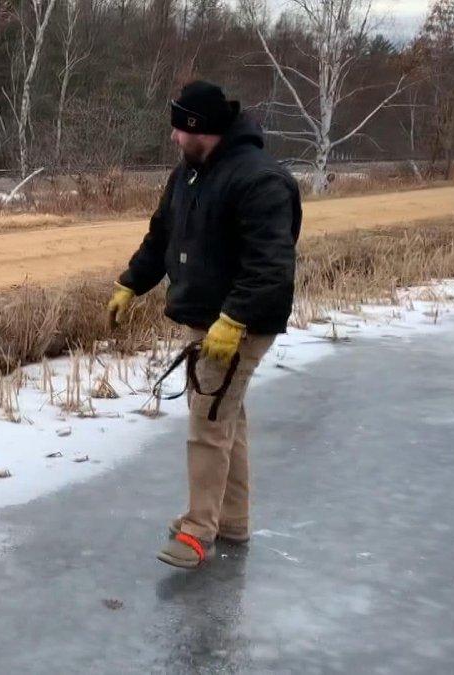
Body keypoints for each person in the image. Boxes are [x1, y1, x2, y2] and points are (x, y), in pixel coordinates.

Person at [107, 80, 302, 569]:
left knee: (208, 423)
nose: (173, 137)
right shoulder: (189, 174)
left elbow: (271, 265)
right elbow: (161, 235)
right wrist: (132, 283)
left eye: (179, 128)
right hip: (206, 319)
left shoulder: (259, 180)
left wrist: (234, 320)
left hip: (241, 323)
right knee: (224, 417)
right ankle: (231, 520)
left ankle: (198, 530)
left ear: (201, 128)